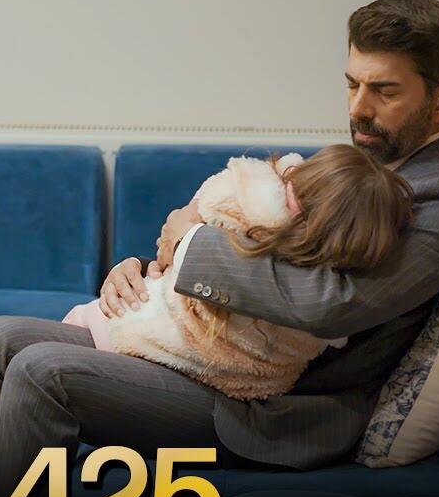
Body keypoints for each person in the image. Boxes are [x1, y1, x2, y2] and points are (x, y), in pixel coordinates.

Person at [0, 0, 439, 497]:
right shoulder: (357, 162)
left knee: (42, 371)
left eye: (384, 90)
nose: (358, 108)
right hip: (205, 353)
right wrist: (144, 270)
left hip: (271, 407)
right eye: (352, 84)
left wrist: (190, 242)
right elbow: (261, 237)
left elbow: (330, 304)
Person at [62, 144, 415, 401]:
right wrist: (136, 265)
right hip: (135, 321)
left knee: (42, 365)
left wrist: (184, 240)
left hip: (185, 373)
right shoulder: (245, 215)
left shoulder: (319, 293)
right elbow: (168, 261)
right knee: (28, 347)